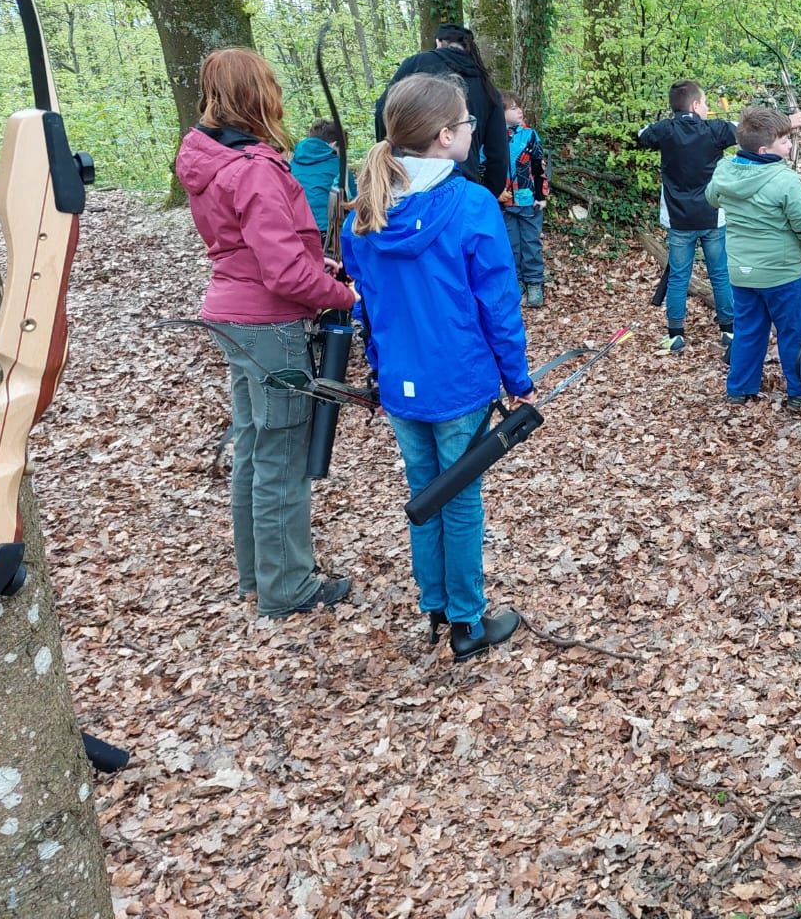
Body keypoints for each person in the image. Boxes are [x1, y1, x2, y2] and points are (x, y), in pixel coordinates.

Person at [341, 73, 535, 662]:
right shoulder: (470, 204)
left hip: (404, 382)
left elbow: (368, 308)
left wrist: (380, 368)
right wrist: (518, 381)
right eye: (468, 123)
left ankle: (437, 607)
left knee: (426, 492)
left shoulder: (367, 210)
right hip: (458, 381)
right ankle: (465, 621)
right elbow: (498, 304)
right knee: (458, 499)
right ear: (446, 136)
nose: (474, 131)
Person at [175, 48, 355, 617]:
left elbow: (253, 247)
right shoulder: (252, 167)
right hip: (266, 322)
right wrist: (343, 295)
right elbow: (281, 272)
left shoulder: (211, 157)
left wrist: (315, 264)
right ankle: (287, 587)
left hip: (235, 315)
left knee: (256, 444)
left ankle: (257, 576)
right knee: (280, 450)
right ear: (257, 95)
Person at [705, 106, 801, 407]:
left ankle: (739, 389)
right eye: (784, 141)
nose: (789, 146)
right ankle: (800, 391)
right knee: (795, 332)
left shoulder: (724, 170)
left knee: (747, 330)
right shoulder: (784, 180)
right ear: (763, 150)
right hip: (781, 273)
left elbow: (711, 197)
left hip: (741, 271)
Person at [637, 80, 736, 355]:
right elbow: (746, 131)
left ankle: (676, 335)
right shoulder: (715, 129)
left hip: (679, 219)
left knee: (679, 276)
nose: (707, 107)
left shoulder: (666, 130)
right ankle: (729, 330)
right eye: (704, 103)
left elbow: (642, 134)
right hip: (712, 216)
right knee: (720, 273)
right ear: (694, 105)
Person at [374, 23, 509, 200]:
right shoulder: (485, 83)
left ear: (438, 42)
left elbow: (382, 109)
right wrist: (488, 193)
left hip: (409, 180)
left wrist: (390, 150)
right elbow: (498, 152)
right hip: (463, 186)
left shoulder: (417, 64)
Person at [500, 92, 549, 308]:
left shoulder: (530, 135)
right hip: (505, 203)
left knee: (531, 243)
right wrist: (495, 192)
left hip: (529, 201)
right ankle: (516, 281)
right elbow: (484, 167)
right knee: (511, 244)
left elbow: (538, 166)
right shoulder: (493, 138)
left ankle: (534, 282)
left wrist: (541, 195)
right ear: (500, 113)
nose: (519, 111)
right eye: (513, 108)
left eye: (519, 107)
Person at [289, 118, 356, 238]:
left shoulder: (290, 163)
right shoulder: (340, 166)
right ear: (334, 144)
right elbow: (354, 203)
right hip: (327, 234)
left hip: (294, 231)